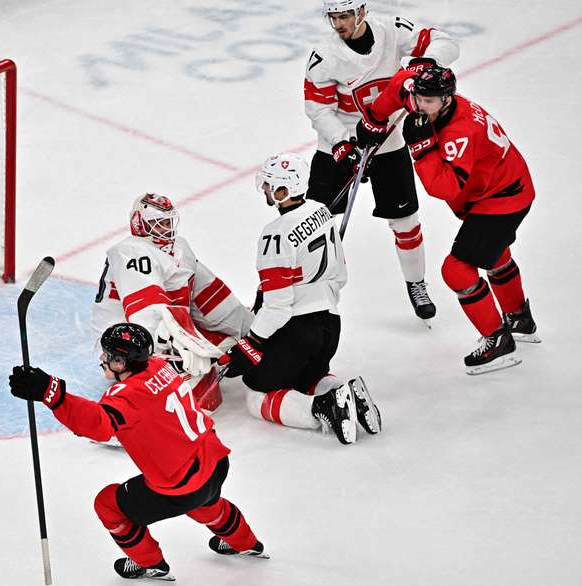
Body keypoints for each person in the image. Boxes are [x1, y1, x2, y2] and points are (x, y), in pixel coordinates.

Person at [8, 323, 267, 581]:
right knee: (205, 503)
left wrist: (50, 392)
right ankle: (245, 541)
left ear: (120, 363)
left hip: (183, 485)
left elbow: (98, 425)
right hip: (215, 461)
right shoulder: (158, 365)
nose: (102, 358)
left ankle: (149, 563)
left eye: (108, 355)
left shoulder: (128, 395)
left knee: (108, 504)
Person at [363, 66, 539, 374]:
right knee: (494, 252)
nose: (419, 106)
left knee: (456, 269)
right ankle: (520, 320)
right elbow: (397, 85)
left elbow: (444, 188)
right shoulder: (423, 100)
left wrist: (420, 149)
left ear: (447, 99)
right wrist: (373, 120)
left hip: (503, 198)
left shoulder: (461, 131)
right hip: (503, 187)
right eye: (417, 97)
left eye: (429, 101)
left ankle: (498, 341)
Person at [303, 0, 460, 323]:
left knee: (406, 222)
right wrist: (341, 144)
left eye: (345, 15)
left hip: (389, 142)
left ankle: (416, 284)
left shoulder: (392, 30)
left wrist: (426, 63)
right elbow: (318, 109)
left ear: (361, 12)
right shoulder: (325, 56)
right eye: (333, 18)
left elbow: (446, 43)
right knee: (315, 222)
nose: (339, 24)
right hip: (339, 145)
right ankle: (306, 286)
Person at [219, 153, 381, 445]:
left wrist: (250, 344)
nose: (266, 191)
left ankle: (322, 408)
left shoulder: (275, 235)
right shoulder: (321, 210)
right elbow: (340, 276)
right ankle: (346, 392)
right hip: (331, 325)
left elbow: (278, 308)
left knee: (256, 391)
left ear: (283, 191)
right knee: (309, 377)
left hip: (297, 330)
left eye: (270, 186)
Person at [91, 192, 252, 410]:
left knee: (226, 344)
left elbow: (209, 295)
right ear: (139, 224)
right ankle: (141, 402)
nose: (166, 229)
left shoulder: (180, 248)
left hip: (171, 330)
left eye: (168, 222)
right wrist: (179, 352)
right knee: (188, 368)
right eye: (158, 224)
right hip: (124, 342)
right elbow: (146, 317)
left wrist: (249, 329)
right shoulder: (132, 252)